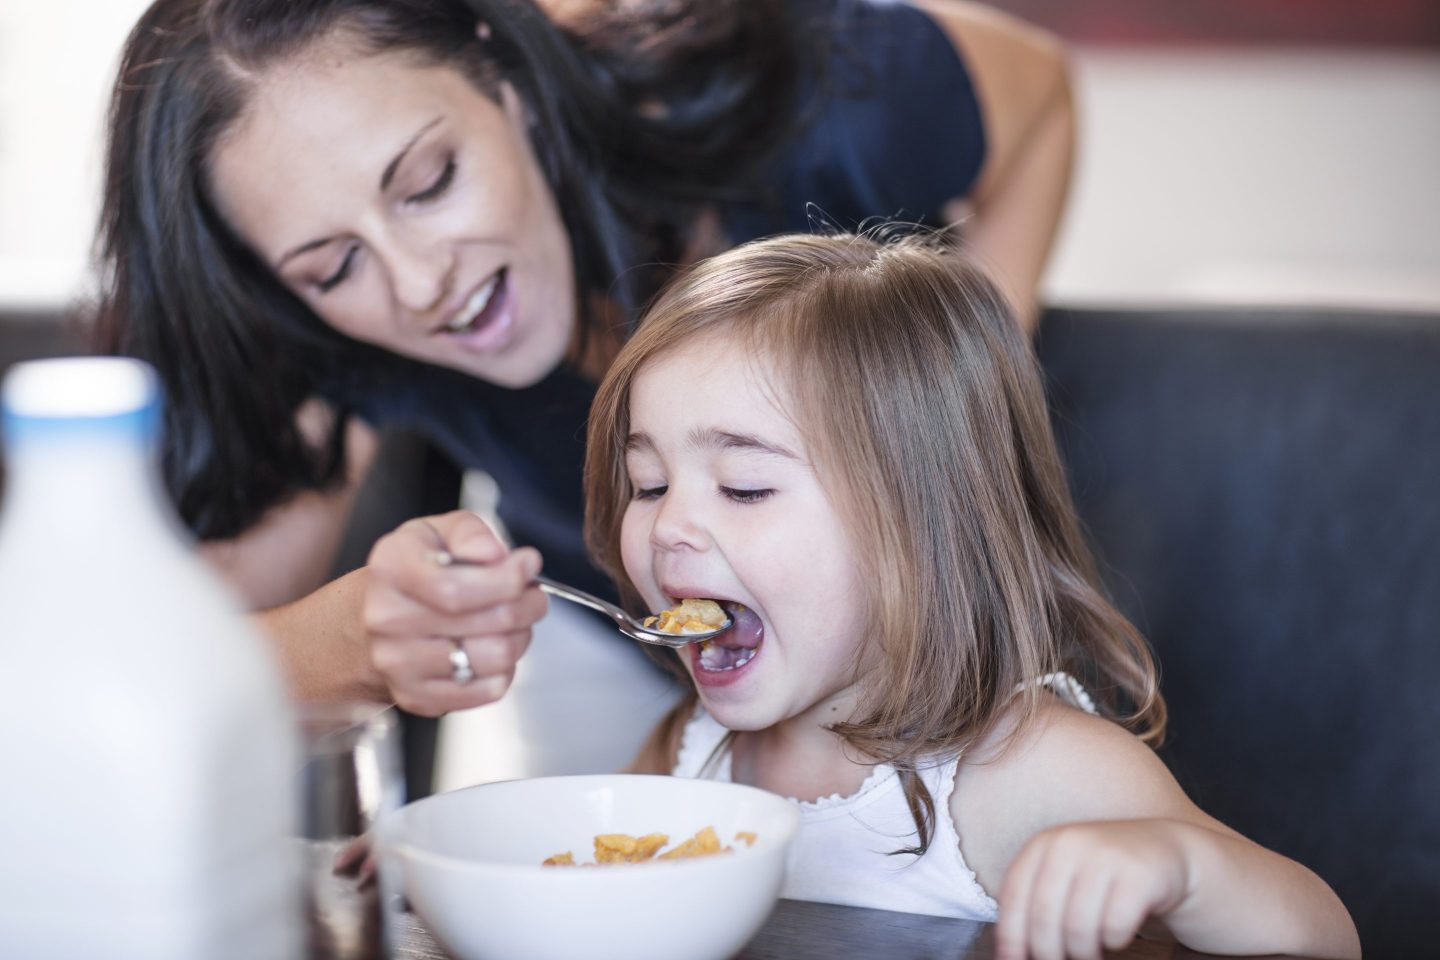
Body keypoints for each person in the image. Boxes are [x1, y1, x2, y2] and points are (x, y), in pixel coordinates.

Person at [94, 0, 1075, 714]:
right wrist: (345, 646)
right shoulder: (318, 338)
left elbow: (1041, 94)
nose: (418, 285)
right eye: (333, 265)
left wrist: (962, 399)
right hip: (646, 676)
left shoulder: (831, 102)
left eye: (429, 182)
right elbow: (162, 668)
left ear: (504, 82)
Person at [582, 232, 1360, 960]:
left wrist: (1183, 866)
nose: (666, 526)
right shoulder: (690, 751)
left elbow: (1326, 939)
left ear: (921, 523)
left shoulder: (1027, 771)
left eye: (744, 488)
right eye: (647, 483)